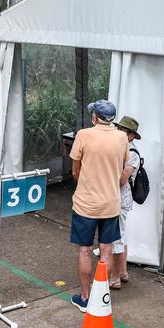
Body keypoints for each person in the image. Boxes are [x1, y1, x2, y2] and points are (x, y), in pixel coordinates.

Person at [68, 100, 128, 312]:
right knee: (106, 249)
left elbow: (75, 170)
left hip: (86, 204)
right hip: (111, 203)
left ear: (95, 117)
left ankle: (84, 298)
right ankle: (101, 296)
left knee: (85, 250)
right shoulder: (122, 137)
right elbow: (121, 165)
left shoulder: (84, 134)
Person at [109, 116, 141, 290]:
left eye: (123, 130)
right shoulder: (120, 148)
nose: (119, 132)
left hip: (120, 199)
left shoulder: (132, 154)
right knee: (121, 235)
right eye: (118, 128)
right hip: (117, 198)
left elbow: (122, 180)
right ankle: (122, 272)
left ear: (131, 136)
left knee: (116, 237)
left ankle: (115, 278)